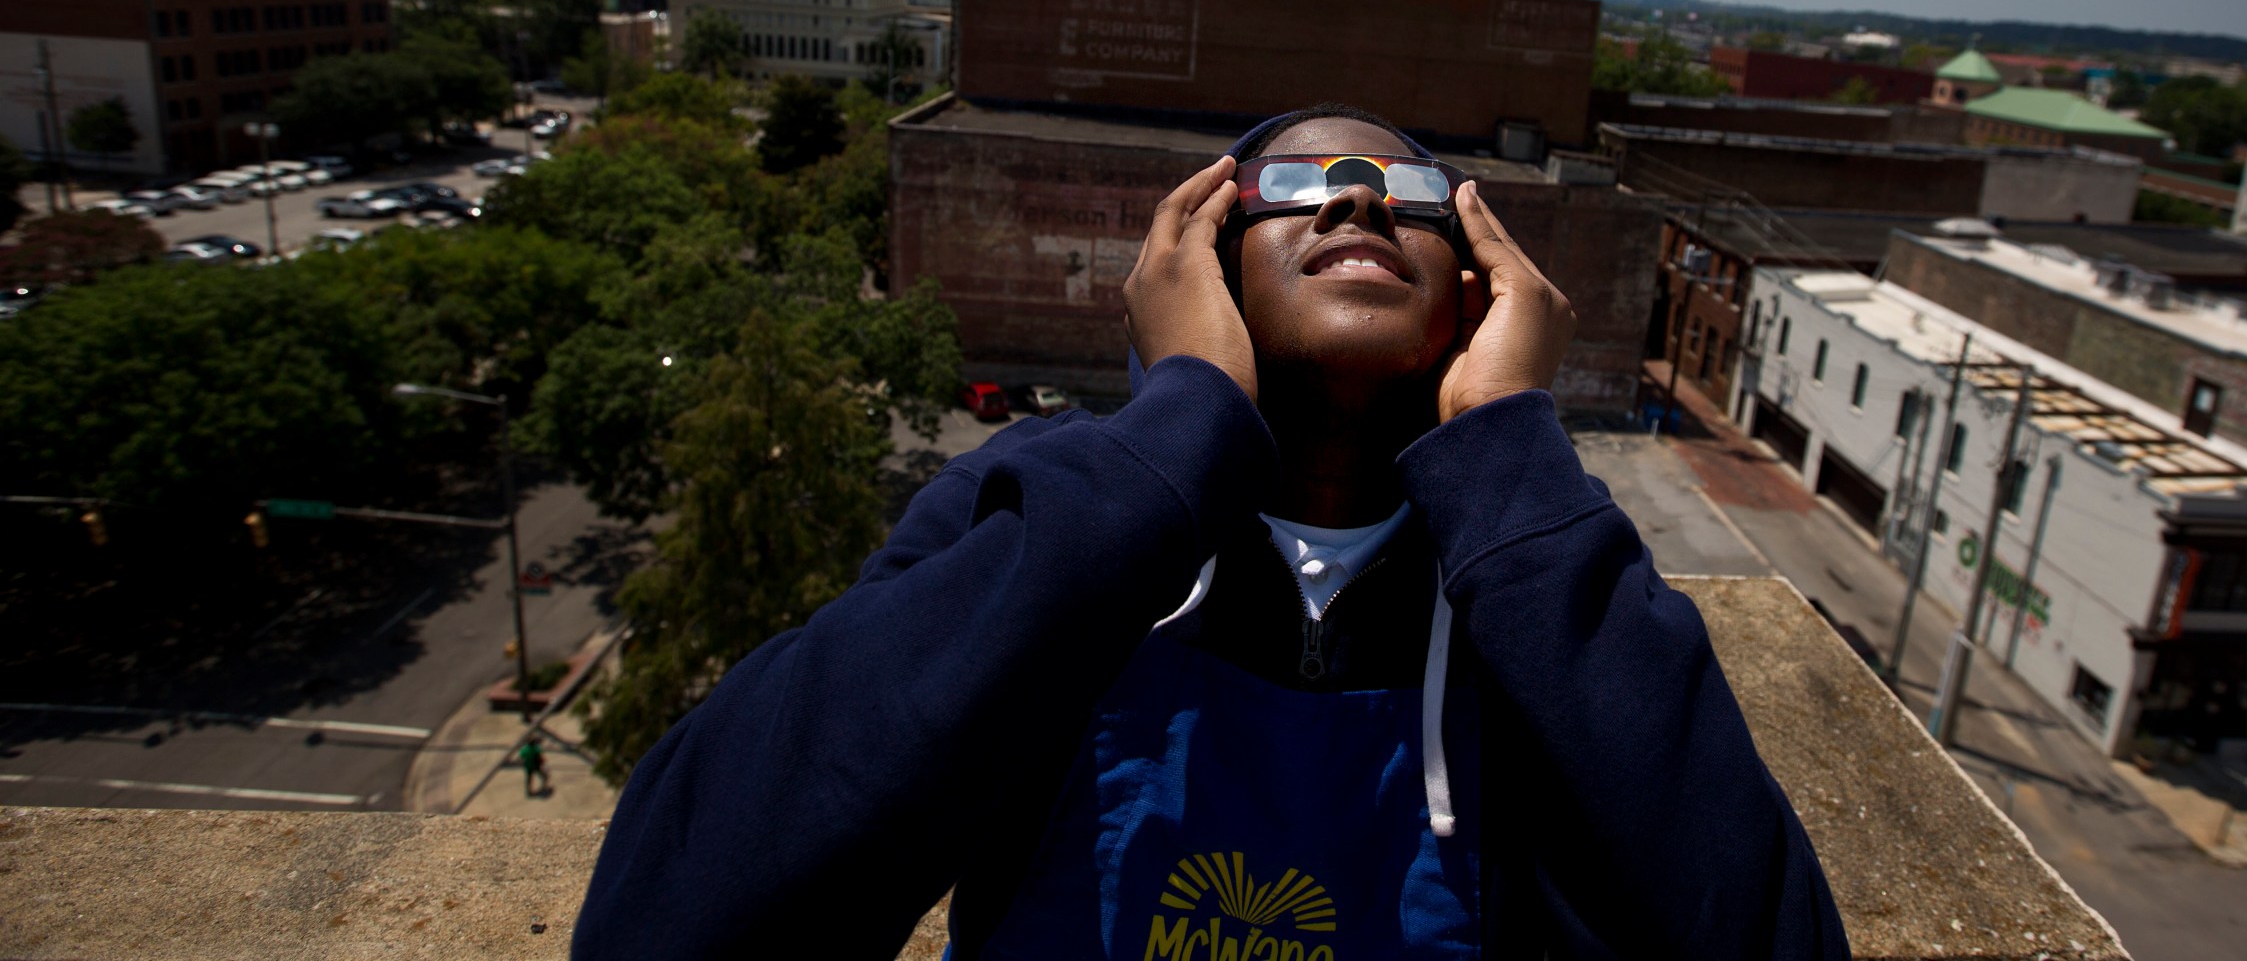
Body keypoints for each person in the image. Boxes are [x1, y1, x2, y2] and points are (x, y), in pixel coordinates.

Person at [575, 105, 1847, 958]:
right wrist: (1175, 428)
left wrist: (1509, 442)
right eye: (1296, 185)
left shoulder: (1536, 580)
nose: (1354, 199)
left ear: (1479, 290)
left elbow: (1758, 932)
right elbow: (671, 917)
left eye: (1405, 193)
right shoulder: (1041, 511)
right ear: (1200, 268)